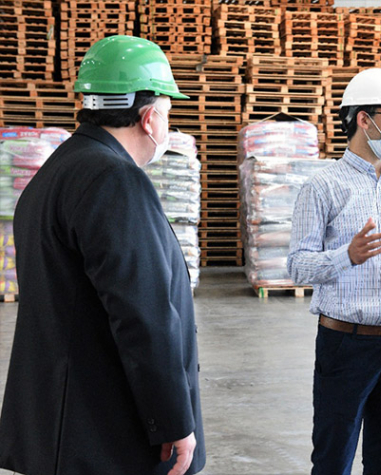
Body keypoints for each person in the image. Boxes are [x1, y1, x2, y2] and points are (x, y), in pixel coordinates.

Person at [0, 35, 205, 475]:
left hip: (59, 423)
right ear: (149, 118)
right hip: (103, 433)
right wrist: (173, 420)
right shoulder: (115, 180)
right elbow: (143, 314)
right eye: (168, 113)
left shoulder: (56, 171)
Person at [287, 68, 381, 475]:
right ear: (363, 119)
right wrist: (345, 257)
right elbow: (297, 266)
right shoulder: (323, 186)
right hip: (347, 346)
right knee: (333, 459)